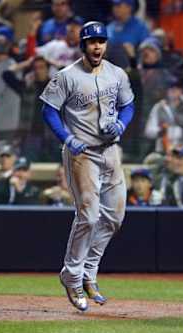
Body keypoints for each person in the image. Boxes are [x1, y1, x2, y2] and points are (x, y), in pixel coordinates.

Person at [39, 21, 135, 311]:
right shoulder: (66, 76)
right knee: (89, 216)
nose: (97, 46)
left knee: (114, 217)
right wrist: (67, 139)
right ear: (82, 45)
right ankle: (72, 276)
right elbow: (48, 110)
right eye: (92, 42)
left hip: (109, 152)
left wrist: (121, 123)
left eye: (101, 41)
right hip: (82, 154)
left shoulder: (116, 74)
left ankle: (89, 274)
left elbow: (128, 104)